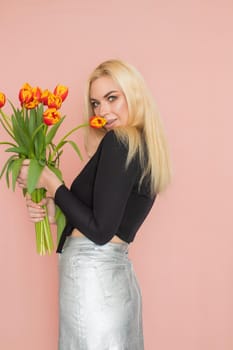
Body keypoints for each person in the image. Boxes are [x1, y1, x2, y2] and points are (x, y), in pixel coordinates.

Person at [17, 59, 172, 350]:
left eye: (112, 98)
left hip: (92, 280)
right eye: (95, 103)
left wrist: (52, 183)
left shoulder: (120, 142)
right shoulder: (143, 146)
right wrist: (55, 212)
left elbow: (100, 232)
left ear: (133, 93)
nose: (102, 111)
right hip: (113, 280)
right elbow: (108, 221)